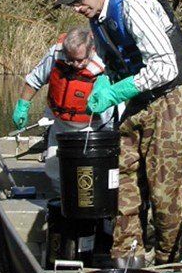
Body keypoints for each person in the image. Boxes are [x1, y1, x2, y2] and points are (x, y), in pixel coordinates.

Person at [54, 0, 182, 267]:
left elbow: (165, 67)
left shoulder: (134, 5)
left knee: (163, 191)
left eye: (79, 0)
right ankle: (127, 256)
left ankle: (167, 261)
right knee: (119, 178)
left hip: (171, 98)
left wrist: (117, 92)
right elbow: (113, 62)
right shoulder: (98, 18)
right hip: (140, 98)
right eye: (71, 5)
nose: (77, 9)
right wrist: (105, 82)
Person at [12, 26, 113, 190]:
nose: (75, 65)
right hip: (60, 124)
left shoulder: (103, 62)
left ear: (90, 50)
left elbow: (114, 110)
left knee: (88, 175)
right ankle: (60, 202)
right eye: (70, 59)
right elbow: (34, 80)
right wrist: (22, 106)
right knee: (55, 170)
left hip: (92, 127)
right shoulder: (57, 53)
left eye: (81, 60)